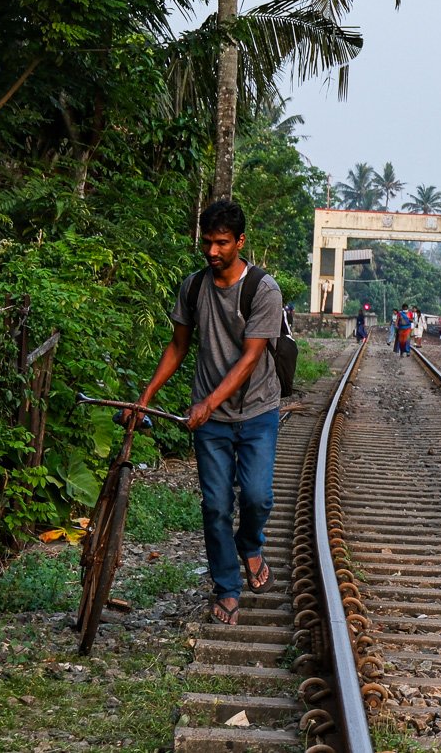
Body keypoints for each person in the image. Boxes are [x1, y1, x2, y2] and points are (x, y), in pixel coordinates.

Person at [132, 199, 283, 627]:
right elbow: (178, 346)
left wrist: (207, 403)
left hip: (256, 411)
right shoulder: (193, 287)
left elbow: (251, 358)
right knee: (215, 506)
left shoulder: (263, 290)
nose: (212, 252)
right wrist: (145, 396)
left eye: (222, 243)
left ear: (240, 242)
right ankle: (227, 588)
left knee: (257, 496)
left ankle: (250, 545)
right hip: (211, 421)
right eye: (207, 242)